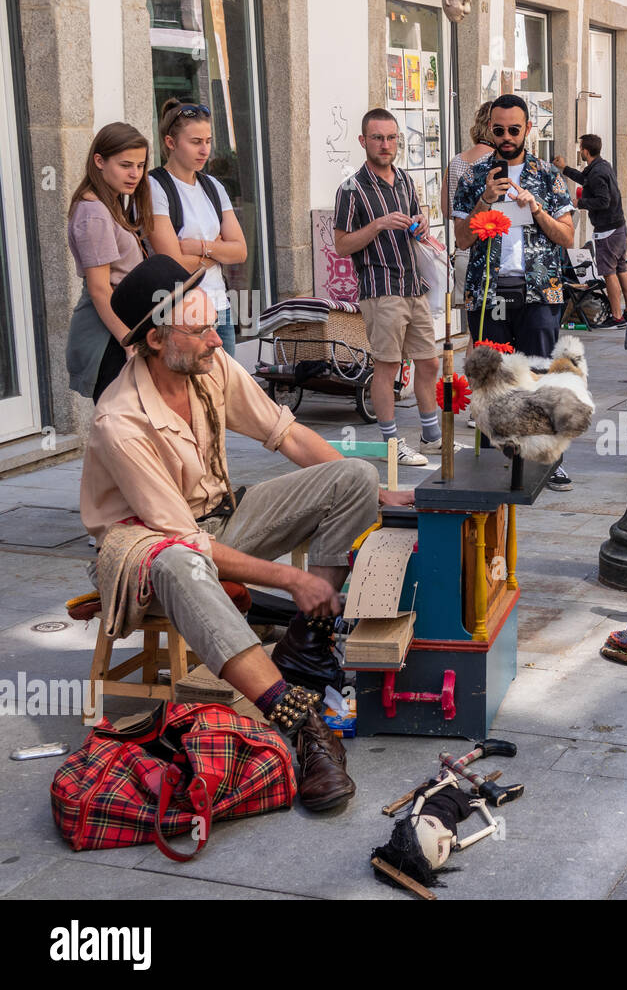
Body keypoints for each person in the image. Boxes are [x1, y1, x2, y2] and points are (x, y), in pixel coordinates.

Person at [81, 255, 418, 810]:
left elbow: (285, 433)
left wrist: (380, 492)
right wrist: (289, 578)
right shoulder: (120, 421)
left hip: (219, 519)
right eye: (200, 330)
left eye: (214, 322)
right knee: (179, 560)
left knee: (352, 476)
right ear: (157, 341)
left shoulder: (209, 366)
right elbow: (184, 540)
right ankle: (302, 722)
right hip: (144, 548)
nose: (218, 340)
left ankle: (306, 646)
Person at [454, 94, 577, 489]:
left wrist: (537, 209)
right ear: (488, 129)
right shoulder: (474, 176)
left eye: (514, 129)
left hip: (540, 292)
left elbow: (568, 238)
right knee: (493, 379)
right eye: (498, 129)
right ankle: (495, 459)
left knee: (539, 374)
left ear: (527, 130)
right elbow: (461, 240)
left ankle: (545, 458)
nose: (506, 137)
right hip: (489, 292)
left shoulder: (548, 175)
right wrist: (484, 202)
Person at [334, 108, 442, 468]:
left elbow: (416, 220)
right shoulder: (351, 188)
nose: (386, 144)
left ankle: (431, 437)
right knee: (387, 366)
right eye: (378, 138)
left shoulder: (406, 180)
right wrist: (378, 224)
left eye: (392, 137)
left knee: (428, 363)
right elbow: (342, 245)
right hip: (380, 288)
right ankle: (392, 443)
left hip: (413, 284)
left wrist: (421, 221)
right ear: (363, 141)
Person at [146, 100, 247, 356]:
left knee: (223, 391)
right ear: (170, 142)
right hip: (182, 313)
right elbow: (173, 264)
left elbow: (240, 251)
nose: (205, 150)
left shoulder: (213, 186)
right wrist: (216, 251)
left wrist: (198, 248)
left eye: (208, 141)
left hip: (219, 307)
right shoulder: (154, 188)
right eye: (195, 142)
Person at [66, 123, 152, 402]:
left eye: (140, 165)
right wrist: (128, 341)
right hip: (109, 338)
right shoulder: (94, 212)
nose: (134, 174)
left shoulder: (109, 205)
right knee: (120, 432)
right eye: (125, 165)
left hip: (121, 330)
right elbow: (99, 289)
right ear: (99, 161)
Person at [562, 133, 627, 327]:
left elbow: (603, 201)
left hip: (607, 230)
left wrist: (580, 202)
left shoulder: (597, 172)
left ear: (585, 150)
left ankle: (616, 317)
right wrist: (564, 169)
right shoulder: (601, 166)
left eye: (581, 148)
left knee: (609, 273)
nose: (580, 152)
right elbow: (584, 179)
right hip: (617, 227)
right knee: (621, 270)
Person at [443, 101, 496, 307]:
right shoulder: (496, 161)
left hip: (464, 254)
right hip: (490, 255)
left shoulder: (456, 161)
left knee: (475, 331)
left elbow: (448, 210)